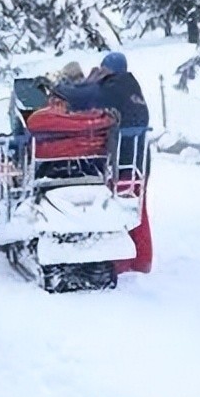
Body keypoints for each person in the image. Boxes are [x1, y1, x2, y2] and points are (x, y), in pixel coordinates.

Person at [53, 51, 152, 273]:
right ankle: (141, 260)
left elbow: (80, 97)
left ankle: (121, 262)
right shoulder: (130, 86)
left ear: (109, 70)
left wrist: (59, 86)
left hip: (120, 162)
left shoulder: (112, 87)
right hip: (139, 159)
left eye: (103, 69)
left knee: (116, 212)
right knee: (137, 211)